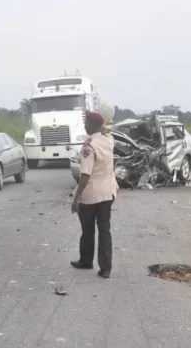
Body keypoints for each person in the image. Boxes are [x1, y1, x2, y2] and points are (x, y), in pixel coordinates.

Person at [71, 111, 118, 279]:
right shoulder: (108, 141)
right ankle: (106, 268)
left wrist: (76, 198)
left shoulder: (88, 146)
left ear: (93, 125)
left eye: (87, 123)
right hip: (108, 192)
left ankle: (86, 260)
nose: (84, 126)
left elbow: (85, 175)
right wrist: (102, 126)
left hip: (91, 195)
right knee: (104, 230)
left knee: (87, 229)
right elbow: (106, 131)